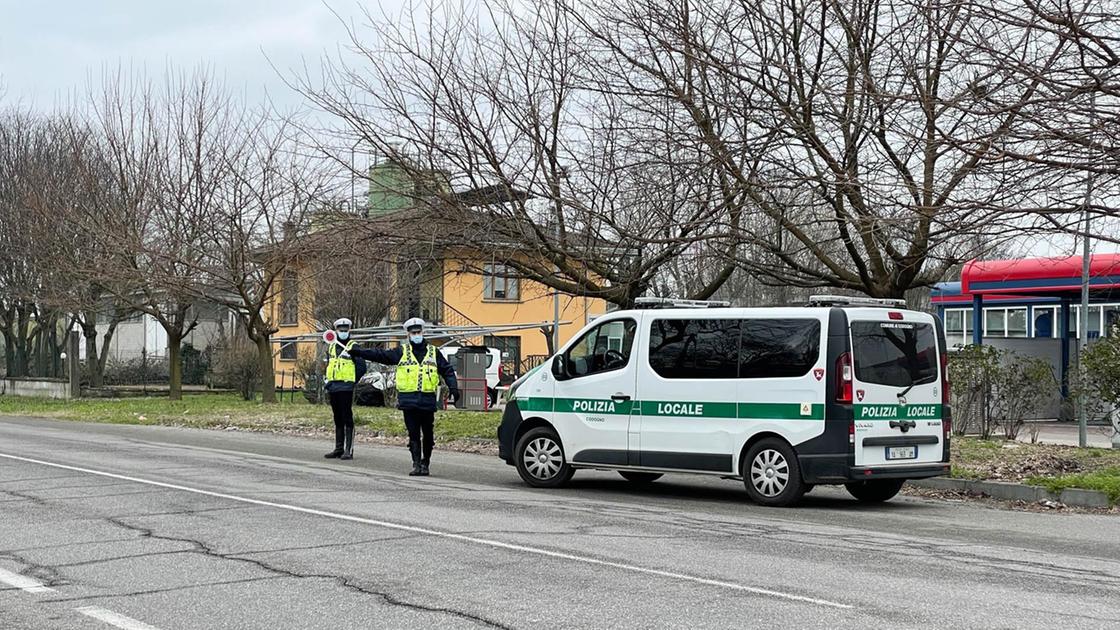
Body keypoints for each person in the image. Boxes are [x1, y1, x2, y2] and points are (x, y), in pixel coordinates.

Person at [349, 317, 460, 476]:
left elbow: (447, 370)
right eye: (413, 332)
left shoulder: (433, 352)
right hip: (409, 401)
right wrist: (359, 352)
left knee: (428, 434)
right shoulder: (402, 351)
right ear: (408, 334)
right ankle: (416, 464)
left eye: (418, 332)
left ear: (423, 333)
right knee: (413, 433)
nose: (416, 335)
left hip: (427, 401)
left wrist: (454, 387)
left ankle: (425, 463)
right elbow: (381, 355)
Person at [323, 317, 366, 460]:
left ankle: (348, 450)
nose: (343, 332)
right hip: (333, 386)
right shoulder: (331, 346)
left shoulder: (354, 346)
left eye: (345, 330)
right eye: (340, 330)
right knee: (337, 417)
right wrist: (328, 382)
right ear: (336, 331)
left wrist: (352, 382)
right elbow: (330, 365)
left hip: (346, 387)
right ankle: (338, 448)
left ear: (349, 330)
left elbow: (361, 367)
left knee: (347, 417)